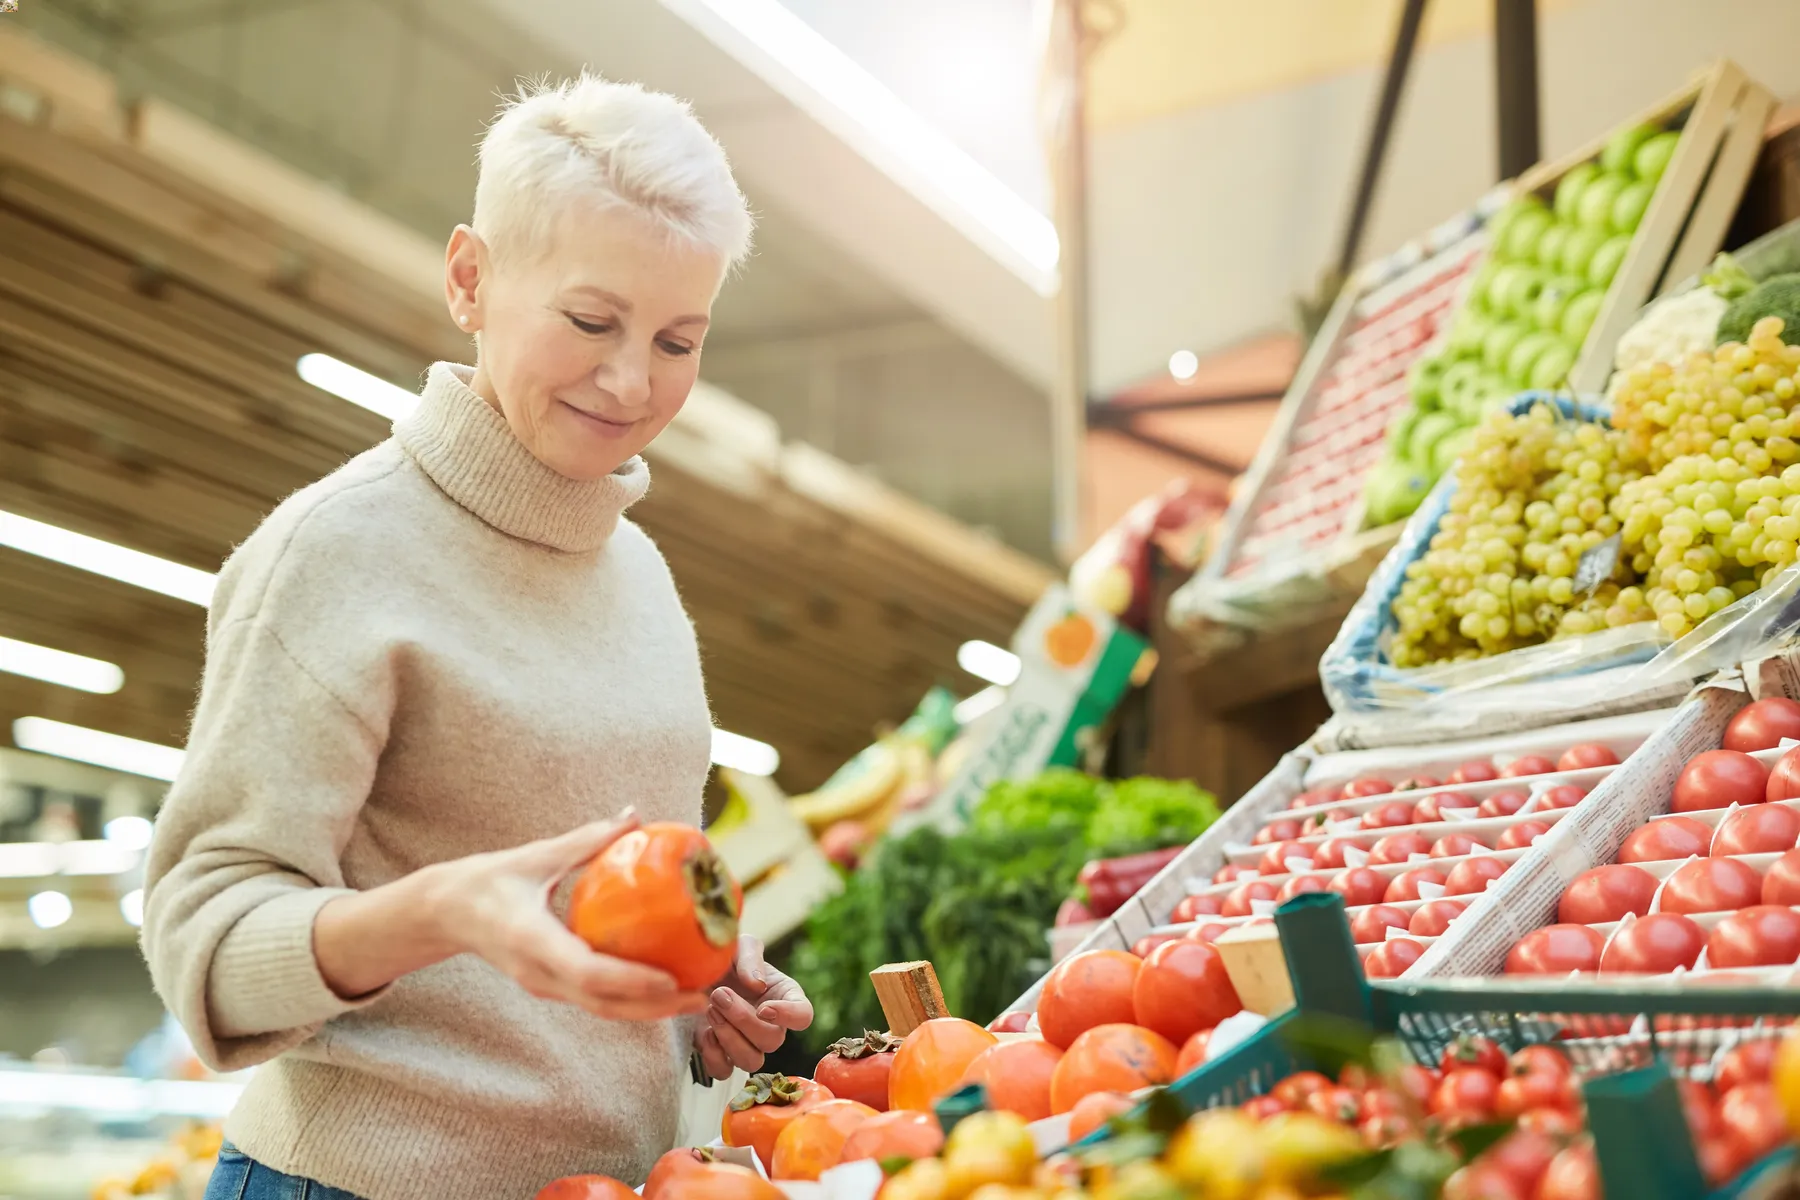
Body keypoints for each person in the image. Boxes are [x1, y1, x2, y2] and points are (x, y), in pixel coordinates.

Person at [141, 74, 812, 1200]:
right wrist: (443, 915)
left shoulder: (640, 575)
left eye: (679, 340)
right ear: (470, 279)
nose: (633, 380)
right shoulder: (336, 552)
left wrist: (699, 988)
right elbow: (201, 941)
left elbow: (595, 908)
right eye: (591, 321)